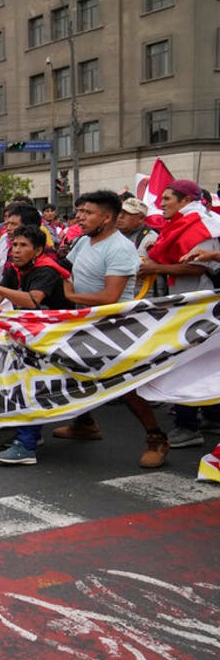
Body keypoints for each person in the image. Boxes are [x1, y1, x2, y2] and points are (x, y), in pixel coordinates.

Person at [52, 190, 171, 468]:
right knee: (76, 371)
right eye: (80, 212)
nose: (79, 217)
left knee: (124, 386)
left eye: (87, 213)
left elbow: (110, 297)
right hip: (85, 323)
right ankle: (85, 424)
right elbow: (65, 270)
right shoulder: (84, 241)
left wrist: (72, 298)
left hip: (114, 327)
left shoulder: (119, 248)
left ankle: (157, 438)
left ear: (107, 218)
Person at [0, 224, 73, 464]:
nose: (16, 250)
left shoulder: (47, 270)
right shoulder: (14, 268)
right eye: (14, 245)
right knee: (36, 382)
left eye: (23, 246)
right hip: (35, 334)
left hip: (58, 335)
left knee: (32, 383)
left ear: (38, 250)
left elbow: (32, 300)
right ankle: (76, 425)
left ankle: (26, 445)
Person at [138, 179, 220, 450]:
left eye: (167, 199)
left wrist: (155, 269)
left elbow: (198, 268)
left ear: (185, 200)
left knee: (187, 361)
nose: (161, 204)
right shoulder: (182, 224)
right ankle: (210, 416)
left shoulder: (200, 226)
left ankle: (187, 425)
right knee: (201, 360)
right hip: (188, 303)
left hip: (199, 304)